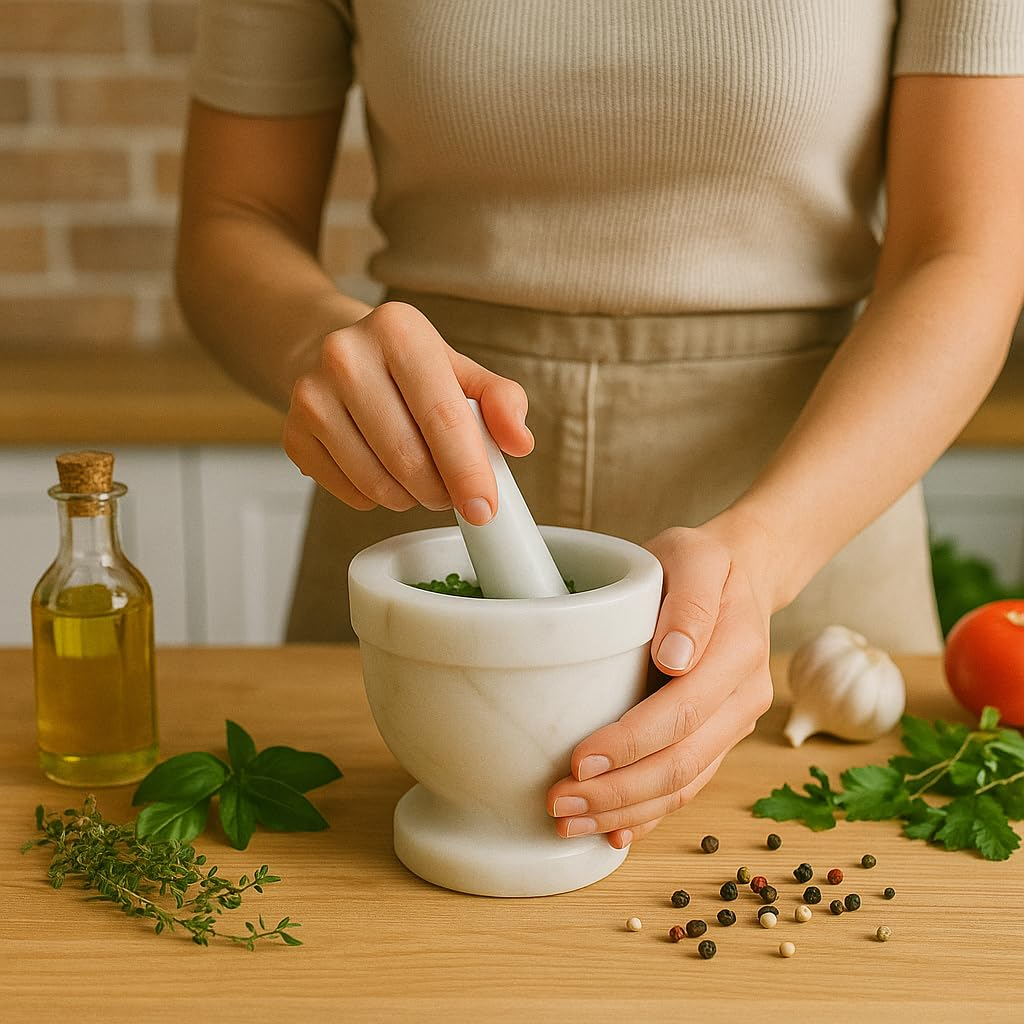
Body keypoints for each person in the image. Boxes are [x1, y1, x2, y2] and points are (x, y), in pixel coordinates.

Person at [175, 1, 1024, 851]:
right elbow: (236, 217)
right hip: (415, 469)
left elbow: (964, 253)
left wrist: (767, 551)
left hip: (811, 506)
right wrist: (316, 346)